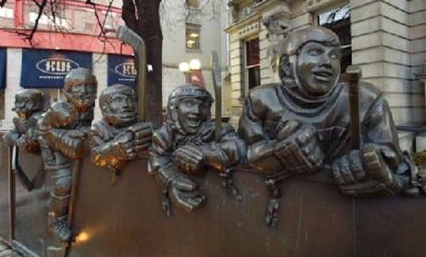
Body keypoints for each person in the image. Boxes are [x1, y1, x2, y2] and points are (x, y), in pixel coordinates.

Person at [238, 26, 416, 200]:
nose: (328, 62)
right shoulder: (260, 100)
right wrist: (276, 153)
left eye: (334, 55)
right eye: (315, 52)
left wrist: (370, 165)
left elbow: (393, 161)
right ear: (286, 66)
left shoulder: (366, 100)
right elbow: (243, 153)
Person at [149, 84, 246, 214]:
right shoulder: (165, 135)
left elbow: (237, 148)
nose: (197, 110)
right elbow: (157, 158)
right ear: (174, 109)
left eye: (203, 105)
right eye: (189, 103)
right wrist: (173, 179)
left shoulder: (217, 130)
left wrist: (206, 154)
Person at [38, 68, 97, 242]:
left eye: (89, 86)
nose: (84, 91)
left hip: (74, 149)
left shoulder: (88, 108)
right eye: (78, 86)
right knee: (64, 183)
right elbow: (43, 129)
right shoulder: (58, 110)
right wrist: (64, 137)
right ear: (68, 89)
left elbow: (83, 127)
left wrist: (83, 132)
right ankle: (56, 219)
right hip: (54, 150)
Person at [90, 84, 152, 180]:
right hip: (109, 181)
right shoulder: (99, 129)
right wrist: (113, 149)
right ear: (105, 106)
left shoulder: (140, 125)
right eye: (118, 100)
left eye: (129, 100)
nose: (126, 105)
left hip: (138, 178)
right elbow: (96, 156)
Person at [3, 89, 45, 153]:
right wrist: (18, 138)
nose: (20, 114)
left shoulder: (42, 120)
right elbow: (6, 137)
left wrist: (28, 142)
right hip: (24, 161)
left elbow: (37, 145)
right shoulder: (23, 122)